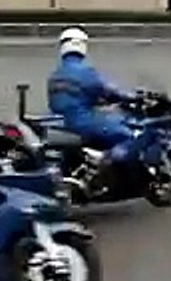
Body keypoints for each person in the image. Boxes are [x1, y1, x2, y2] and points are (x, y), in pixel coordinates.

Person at [47, 27, 138, 177]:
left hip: (60, 126)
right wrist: (128, 97)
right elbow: (109, 91)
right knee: (129, 136)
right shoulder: (86, 72)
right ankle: (107, 164)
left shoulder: (55, 75)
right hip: (84, 123)